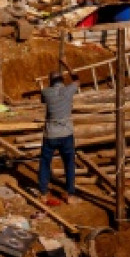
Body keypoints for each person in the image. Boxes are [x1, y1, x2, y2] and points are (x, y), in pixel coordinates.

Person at [38, 61, 79, 206]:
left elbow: (43, 100)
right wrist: (67, 64)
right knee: (69, 164)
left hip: (50, 134)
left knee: (44, 162)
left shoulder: (46, 92)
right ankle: (70, 194)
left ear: (50, 81)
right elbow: (76, 79)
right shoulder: (69, 90)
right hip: (66, 133)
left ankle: (43, 192)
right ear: (62, 80)